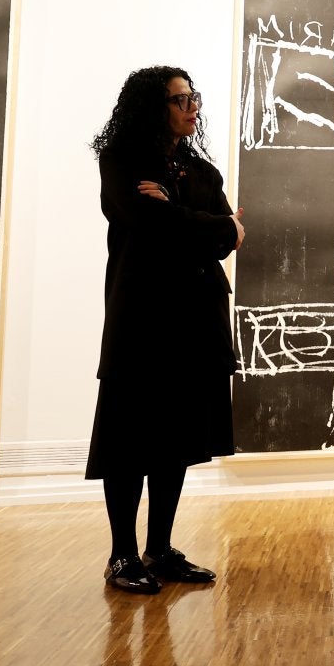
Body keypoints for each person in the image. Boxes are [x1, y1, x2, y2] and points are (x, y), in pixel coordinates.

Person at [88, 66, 245, 594]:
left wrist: (181, 214)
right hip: (143, 317)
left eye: (193, 97)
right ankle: (121, 555)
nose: (191, 107)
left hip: (195, 317)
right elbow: (144, 225)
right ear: (153, 106)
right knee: (129, 438)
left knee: (176, 439)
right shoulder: (122, 162)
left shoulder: (200, 170)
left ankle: (158, 549)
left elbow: (228, 236)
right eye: (180, 99)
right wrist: (203, 224)